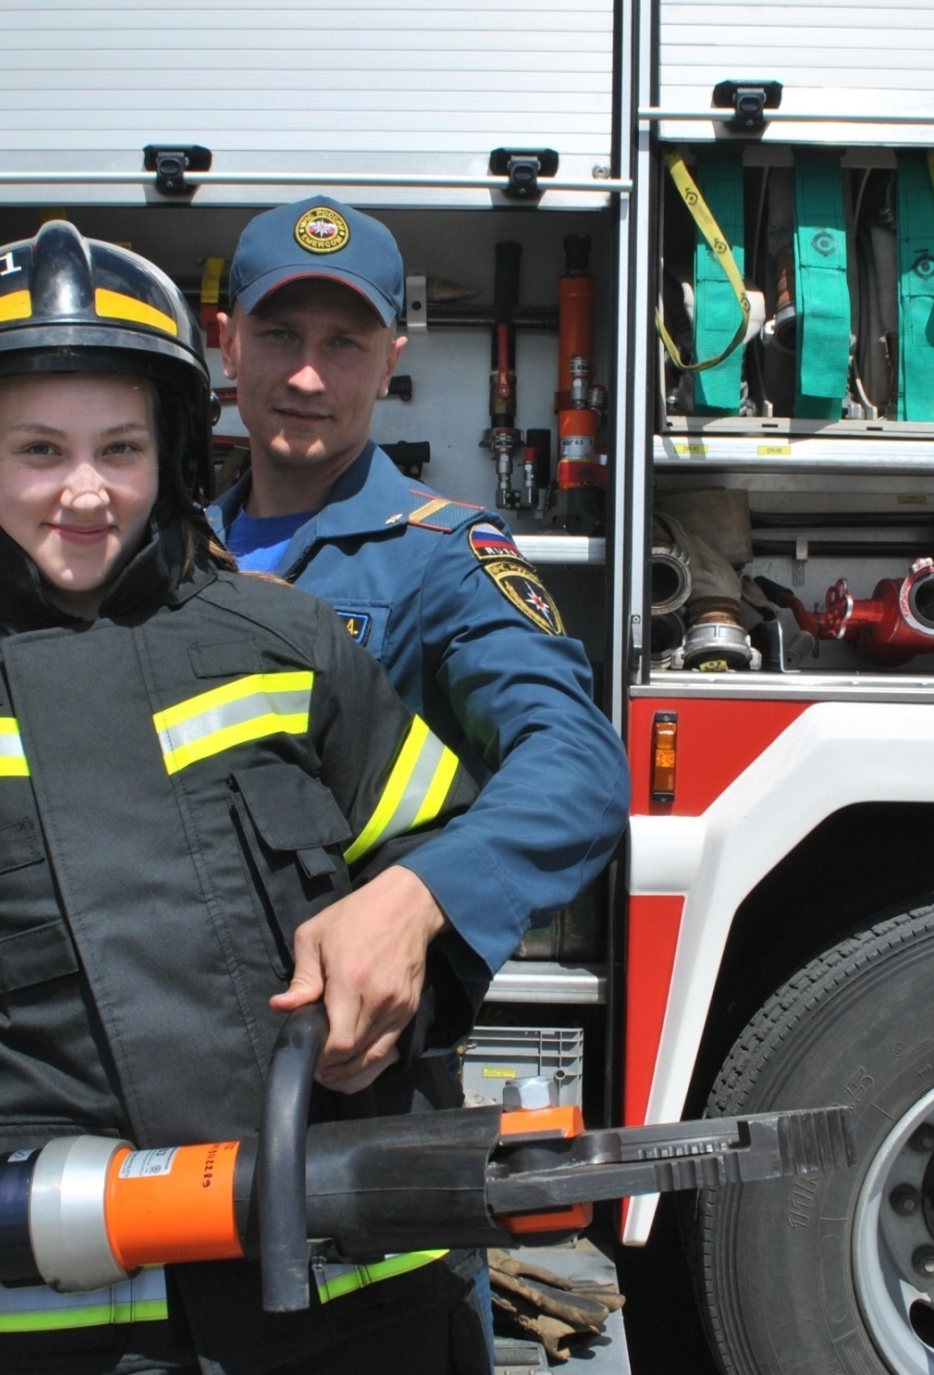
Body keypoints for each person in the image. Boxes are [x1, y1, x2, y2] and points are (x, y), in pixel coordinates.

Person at [0, 221, 493, 1375]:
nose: (83, 493)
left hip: (346, 1290)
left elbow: (438, 846)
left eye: (119, 449)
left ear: (171, 451)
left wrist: (403, 968)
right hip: (70, 1320)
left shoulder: (286, 645)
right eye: (37, 449)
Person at [210, 198, 630, 1074]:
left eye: (345, 344)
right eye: (281, 335)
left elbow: (578, 764)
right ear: (228, 341)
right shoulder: (165, 554)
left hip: (343, 1064)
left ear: (392, 360)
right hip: (169, 1046)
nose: (310, 377)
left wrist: (419, 894)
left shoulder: (444, 554)